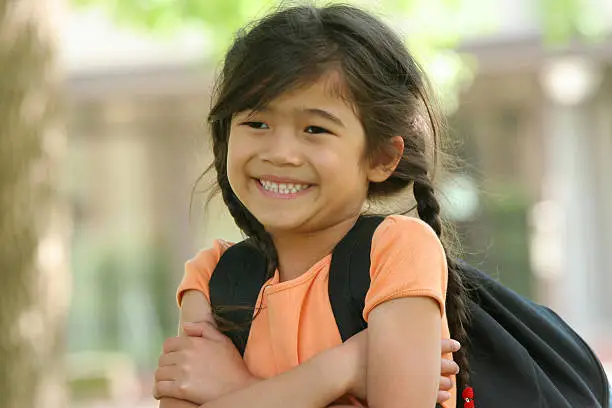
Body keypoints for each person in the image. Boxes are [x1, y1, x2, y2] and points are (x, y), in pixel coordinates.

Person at [153, 4, 472, 408]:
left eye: (315, 129)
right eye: (257, 123)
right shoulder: (212, 279)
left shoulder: (397, 252)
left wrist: (233, 387)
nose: (281, 153)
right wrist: (343, 368)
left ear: (381, 157)